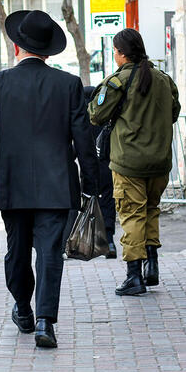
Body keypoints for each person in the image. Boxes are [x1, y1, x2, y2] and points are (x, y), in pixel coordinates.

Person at [0, 10, 98, 349]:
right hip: (58, 185)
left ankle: (22, 307)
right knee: (49, 253)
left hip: (12, 185)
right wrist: (92, 185)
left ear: (17, 46)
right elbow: (84, 139)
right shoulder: (69, 85)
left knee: (16, 252)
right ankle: (46, 321)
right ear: (47, 51)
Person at [88, 28, 180, 296]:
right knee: (151, 211)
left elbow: (95, 114)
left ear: (122, 54)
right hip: (160, 162)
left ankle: (134, 276)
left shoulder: (118, 81)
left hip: (129, 163)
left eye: (115, 52)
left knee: (131, 215)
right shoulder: (163, 79)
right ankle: (152, 267)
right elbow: (174, 113)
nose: (114, 56)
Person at [82, 85, 118, 259]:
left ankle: (86, 241)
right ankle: (109, 240)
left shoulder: (79, 116)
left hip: (87, 166)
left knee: (87, 201)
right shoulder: (104, 113)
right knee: (107, 200)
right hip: (106, 163)